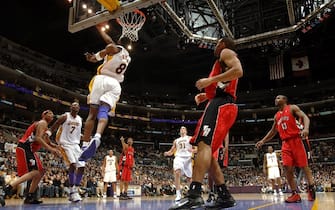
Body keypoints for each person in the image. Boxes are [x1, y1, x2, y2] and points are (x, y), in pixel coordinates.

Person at [169, 37, 243, 210]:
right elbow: (223, 85)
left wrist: (209, 81)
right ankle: (224, 196)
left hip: (222, 104)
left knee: (203, 145)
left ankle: (194, 195)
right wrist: (207, 95)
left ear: (223, 44)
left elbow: (238, 71)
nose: (215, 46)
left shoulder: (226, 52)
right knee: (207, 152)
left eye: (217, 43)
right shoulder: (220, 61)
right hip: (219, 102)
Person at [79, 24, 131, 161]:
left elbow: (109, 46)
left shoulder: (117, 48)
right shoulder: (128, 57)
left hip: (102, 79)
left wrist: (96, 56)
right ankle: (97, 136)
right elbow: (110, 45)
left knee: (92, 114)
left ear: (120, 41)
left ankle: (84, 145)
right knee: (104, 111)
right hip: (116, 85)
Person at [255, 95, 315, 203]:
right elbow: (273, 131)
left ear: (285, 100)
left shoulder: (292, 108)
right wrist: (263, 141)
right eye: (275, 98)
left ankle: (311, 189)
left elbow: (305, 117)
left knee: (304, 167)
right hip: (285, 144)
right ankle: (295, 194)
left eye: (278, 98)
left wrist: (306, 129)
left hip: (296, 140)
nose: (276, 99)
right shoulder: (277, 116)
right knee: (287, 169)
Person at [4, 110, 61, 205]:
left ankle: (30, 196)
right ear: (44, 115)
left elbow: (47, 141)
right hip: (25, 147)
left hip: (30, 150)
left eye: (52, 114)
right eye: (49, 113)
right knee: (35, 172)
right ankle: (9, 187)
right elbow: (38, 138)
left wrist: (55, 146)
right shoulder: (42, 123)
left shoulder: (45, 127)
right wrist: (51, 149)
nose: (52, 115)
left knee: (41, 171)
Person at [48, 102, 85, 202]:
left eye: (77, 105)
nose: (75, 107)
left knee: (81, 167)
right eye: (73, 105)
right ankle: (73, 191)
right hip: (65, 144)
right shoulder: (65, 116)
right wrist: (48, 133)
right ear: (70, 108)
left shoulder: (80, 119)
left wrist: (84, 138)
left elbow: (77, 132)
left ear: (79, 108)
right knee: (72, 165)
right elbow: (55, 125)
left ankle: (75, 189)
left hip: (75, 145)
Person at [164, 126, 197, 203]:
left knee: (189, 178)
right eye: (181, 129)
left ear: (186, 131)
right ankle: (178, 194)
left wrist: (192, 150)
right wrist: (167, 153)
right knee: (177, 172)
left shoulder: (190, 138)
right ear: (179, 131)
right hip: (179, 157)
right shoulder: (176, 140)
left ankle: (192, 193)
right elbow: (172, 151)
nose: (182, 129)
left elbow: (196, 149)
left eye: (183, 128)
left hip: (188, 159)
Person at [206, 134, 229, 204]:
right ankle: (211, 192)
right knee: (210, 171)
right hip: (209, 148)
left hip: (219, 148)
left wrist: (226, 147)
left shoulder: (222, 123)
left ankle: (219, 192)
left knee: (217, 171)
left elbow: (226, 135)